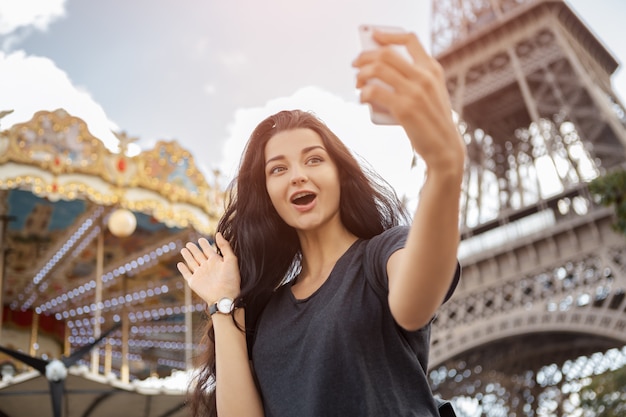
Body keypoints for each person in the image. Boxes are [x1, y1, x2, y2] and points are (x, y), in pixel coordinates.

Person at [178, 28, 465, 417]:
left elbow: (414, 306)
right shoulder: (269, 311)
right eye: (278, 168)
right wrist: (224, 304)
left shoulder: (381, 254)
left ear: (339, 175)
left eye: (314, 159)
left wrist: (444, 170)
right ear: (266, 194)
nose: (297, 175)